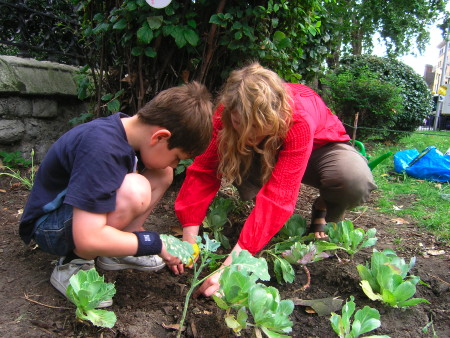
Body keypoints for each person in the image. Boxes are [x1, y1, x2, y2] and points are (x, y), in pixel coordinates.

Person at [171, 62, 377, 297]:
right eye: (240, 124)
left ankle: (323, 205)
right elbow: (203, 172)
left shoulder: (298, 118)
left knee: (353, 179)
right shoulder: (227, 113)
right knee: (241, 150)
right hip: (266, 148)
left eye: (256, 127)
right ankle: (257, 212)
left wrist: (230, 267)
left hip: (319, 150)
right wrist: (189, 240)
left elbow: (279, 199)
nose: (246, 133)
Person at [19, 82, 213, 307]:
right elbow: (87, 238)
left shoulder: (125, 133)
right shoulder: (101, 147)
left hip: (73, 219)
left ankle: (116, 249)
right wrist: (154, 243)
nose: (176, 163)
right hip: (48, 228)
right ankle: (73, 264)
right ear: (160, 137)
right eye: (177, 156)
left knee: (163, 173)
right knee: (134, 189)